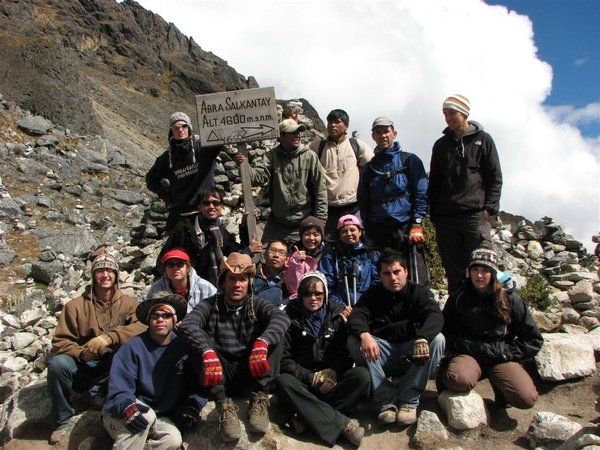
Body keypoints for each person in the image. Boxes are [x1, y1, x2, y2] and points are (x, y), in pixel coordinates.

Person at [179, 253, 291, 442]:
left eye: (242, 280)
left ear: (249, 283)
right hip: (219, 374)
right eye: (232, 279)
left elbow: (281, 318)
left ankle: (260, 398)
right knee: (194, 341)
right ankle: (223, 404)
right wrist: (207, 352)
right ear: (223, 282)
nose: (237, 284)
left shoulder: (256, 304)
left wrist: (262, 342)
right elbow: (189, 324)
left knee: (277, 334)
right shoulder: (209, 304)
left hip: (251, 370)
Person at [47, 250, 146, 445]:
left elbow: (142, 327)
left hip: (112, 364)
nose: (105, 275)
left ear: (117, 275)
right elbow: (60, 342)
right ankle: (62, 420)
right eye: (100, 270)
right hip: (83, 363)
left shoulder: (129, 303)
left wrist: (111, 337)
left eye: (110, 270)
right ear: (93, 275)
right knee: (58, 365)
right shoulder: (74, 306)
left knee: (127, 353)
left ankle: (100, 395)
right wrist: (81, 353)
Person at [347, 248, 445, 426]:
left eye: (397, 271)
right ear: (381, 275)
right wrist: (365, 335)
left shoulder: (419, 292)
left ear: (406, 271)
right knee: (355, 341)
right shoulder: (373, 295)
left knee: (438, 340)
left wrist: (423, 337)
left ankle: (409, 399)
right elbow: (356, 315)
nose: (392, 278)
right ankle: (385, 401)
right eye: (386, 273)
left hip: (413, 353)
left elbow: (435, 315)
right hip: (382, 354)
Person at [439, 247, 543, 409]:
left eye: (485, 270)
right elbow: (446, 332)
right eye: (475, 269)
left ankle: (501, 385)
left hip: (500, 357)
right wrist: (462, 346)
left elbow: (533, 339)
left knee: (526, 398)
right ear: (469, 271)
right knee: (457, 380)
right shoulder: (458, 297)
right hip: (469, 355)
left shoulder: (511, 300)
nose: (479, 275)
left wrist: (505, 352)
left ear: (493, 273)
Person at [103, 291, 207, 449]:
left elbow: (197, 384)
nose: (160, 319)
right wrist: (126, 406)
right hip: (124, 411)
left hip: (161, 416)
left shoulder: (184, 348)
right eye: (155, 315)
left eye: (166, 315)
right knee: (146, 416)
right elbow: (119, 387)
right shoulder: (132, 347)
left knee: (173, 439)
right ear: (148, 320)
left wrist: (193, 406)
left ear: (175, 319)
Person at [276, 271, 370, 447]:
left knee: (362, 376)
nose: (313, 298)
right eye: (307, 293)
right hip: (304, 382)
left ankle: (306, 418)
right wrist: (310, 378)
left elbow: (344, 354)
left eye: (318, 294)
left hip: (331, 381)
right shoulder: (288, 317)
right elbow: (284, 360)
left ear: (325, 294)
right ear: (300, 295)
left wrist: (333, 371)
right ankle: (343, 425)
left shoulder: (338, 315)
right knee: (283, 381)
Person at [428, 95, 503, 293]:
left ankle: (489, 314)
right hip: (446, 219)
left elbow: (495, 176)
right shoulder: (440, 145)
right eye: (445, 113)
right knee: (454, 271)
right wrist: (434, 214)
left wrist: (489, 208)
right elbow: (434, 182)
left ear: (464, 113)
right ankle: (458, 314)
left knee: (482, 266)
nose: (448, 117)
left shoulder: (483, 140)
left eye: (451, 112)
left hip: (474, 215)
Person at [357, 116, 429, 284]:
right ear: (373, 136)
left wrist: (417, 224)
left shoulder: (410, 160)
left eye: (386, 131)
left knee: (415, 277)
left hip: (406, 228)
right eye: (378, 132)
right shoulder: (370, 168)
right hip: (379, 231)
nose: (383, 135)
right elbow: (363, 200)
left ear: (394, 134)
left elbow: (421, 193)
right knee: (384, 277)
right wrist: (368, 229)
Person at [234, 119, 327, 243]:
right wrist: (243, 164)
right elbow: (258, 178)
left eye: (299, 132)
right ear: (282, 135)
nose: (298, 135)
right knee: (266, 257)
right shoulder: (271, 156)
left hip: (304, 223)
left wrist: (320, 221)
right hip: (277, 224)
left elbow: (320, 189)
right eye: (293, 132)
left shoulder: (309, 156)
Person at [157, 186, 262, 285]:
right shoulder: (184, 229)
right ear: (199, 207)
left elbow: (234, 257)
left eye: (216, 203)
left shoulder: (222, 234)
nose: (211, 207)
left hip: (211, 287)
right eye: (206, 203)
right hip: (185, 286)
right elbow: (164, 258)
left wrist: (244, 229)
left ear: (222, 207)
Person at [146, 112, 223, 233]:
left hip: (205, 210)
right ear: (171, 131)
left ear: (189, 128)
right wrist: (167, 196)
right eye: (175, 128)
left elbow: (220, 136)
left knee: (213, 249)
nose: (180, 130)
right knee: (179, 251)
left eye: (184, 126)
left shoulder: (203, 148)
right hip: (179, 215)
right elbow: (150, 179)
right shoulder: (167, 158)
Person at [309, 109, 373, 241]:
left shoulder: (356, 145)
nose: (333, 125)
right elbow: (300, 156)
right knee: (329, 244)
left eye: (338, 122)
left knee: (353, 240)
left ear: (346, 126)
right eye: (330, 122)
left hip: (353, 205)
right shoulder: (317, 147)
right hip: (327, 208)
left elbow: (372, 166)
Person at [319, 214, 379, 314]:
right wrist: (340, 306)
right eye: (344, 231)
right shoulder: (331, 256)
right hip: (342, 310)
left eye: (352, 230)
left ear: (360, 232)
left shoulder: (371, 254)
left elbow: (377, 282)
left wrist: (366, 304)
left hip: (368, 307)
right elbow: (326, 285)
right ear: (339, 236)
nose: (349, 234)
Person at [147, 248, 216, 313]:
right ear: (165, 269)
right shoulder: (156, 289)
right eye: (170, 265)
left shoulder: (206, 288)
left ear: (188, 267)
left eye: (180, 264)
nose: (175, 268)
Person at [283, 215, 326, 300]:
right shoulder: (293, 253)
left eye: (316, 234)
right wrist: (296, 262)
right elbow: (292, 287)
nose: (311, 238)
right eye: (307, 234)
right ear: (301, 236)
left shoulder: (328, 253)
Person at [253, 240, 290, 308]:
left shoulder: (289, 280)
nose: (276, 255)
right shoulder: (252, 272)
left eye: (281, 252)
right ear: (264, 255)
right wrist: (248, 250)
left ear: (287, 259)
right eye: (273, 250)